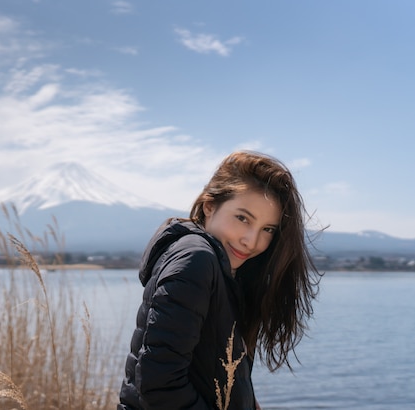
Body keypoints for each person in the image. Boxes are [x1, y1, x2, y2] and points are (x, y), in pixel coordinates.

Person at [118, 151, 321, 410]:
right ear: (209, 206)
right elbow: (158, 385)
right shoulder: (195, 261)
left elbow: (211, 371)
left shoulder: (223, 268)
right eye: (242, 218)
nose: (251, 240)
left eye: (267, 229)